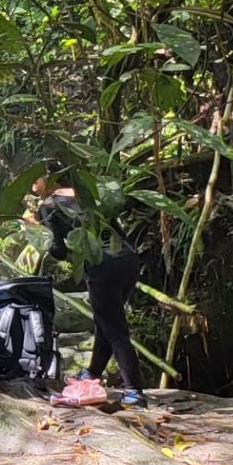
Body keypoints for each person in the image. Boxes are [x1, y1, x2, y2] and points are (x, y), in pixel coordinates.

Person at [27, 172, 145, 408]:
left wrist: (34, 228)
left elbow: (58, 250)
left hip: (101, 265)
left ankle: (134, 391)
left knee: (115, 329)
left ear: (50, 180)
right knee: (107, 320)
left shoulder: (49, 205)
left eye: (36, 179)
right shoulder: (88, 196)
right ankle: (92, 373)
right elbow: (117, 233)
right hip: (129, 260)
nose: (33, 185)